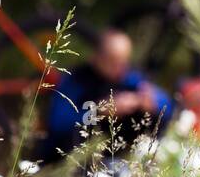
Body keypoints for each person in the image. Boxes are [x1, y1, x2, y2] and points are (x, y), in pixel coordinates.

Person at [39, 28, 175, 162]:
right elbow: (57, 124)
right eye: (113, 61)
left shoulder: (128, 78)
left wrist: (151, 103)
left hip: (112, 156)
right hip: (70, 158)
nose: (119, 68)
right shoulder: (75, 80)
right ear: (96, 57)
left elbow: (167, 105)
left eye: (123, 61)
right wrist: (99, 111)